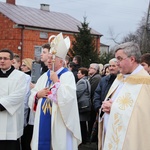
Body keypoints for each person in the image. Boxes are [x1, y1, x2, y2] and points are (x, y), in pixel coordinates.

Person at [29, 33, 81, 150]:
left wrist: (57, 81)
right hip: (43, 118)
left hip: (60, 122)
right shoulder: (43, 77)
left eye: (52, 59)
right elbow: (33, 94)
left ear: (61, 62)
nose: (49, 61)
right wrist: (37, 95)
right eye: (48, 59)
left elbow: (68, 99)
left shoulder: (67, 76)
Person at [99, 42, 150, 150]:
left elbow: (142, 116)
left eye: (120, 59)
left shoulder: (145, 83)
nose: (117, 63)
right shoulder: (120, 78)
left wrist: (113, 107)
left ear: (132, 59)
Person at [0, 49, 26, 150]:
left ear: (12, 61)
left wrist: (2, 104)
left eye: (5, 58)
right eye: (0, 58)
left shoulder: (20, 76)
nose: (2, 61)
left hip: (12, 119)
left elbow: (19, 95)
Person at [76, 67, 91, 144]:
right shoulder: (86, 80)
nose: (77, 74)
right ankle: (84, 138)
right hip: (85, 104)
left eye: (79, 73)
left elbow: (77, 93)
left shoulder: (82, 82)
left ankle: (83, 139)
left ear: (83, 74)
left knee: (82, 123)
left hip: (82, 105)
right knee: (83, 123)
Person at [88, 63, 101, 141]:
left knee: (92, 121)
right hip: (92, 102)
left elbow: (91, 90)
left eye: (91, 68)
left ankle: (92, 138)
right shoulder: (93, 77)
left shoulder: (96, 78)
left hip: (93, 103)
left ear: (95, 70)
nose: (89, 69)